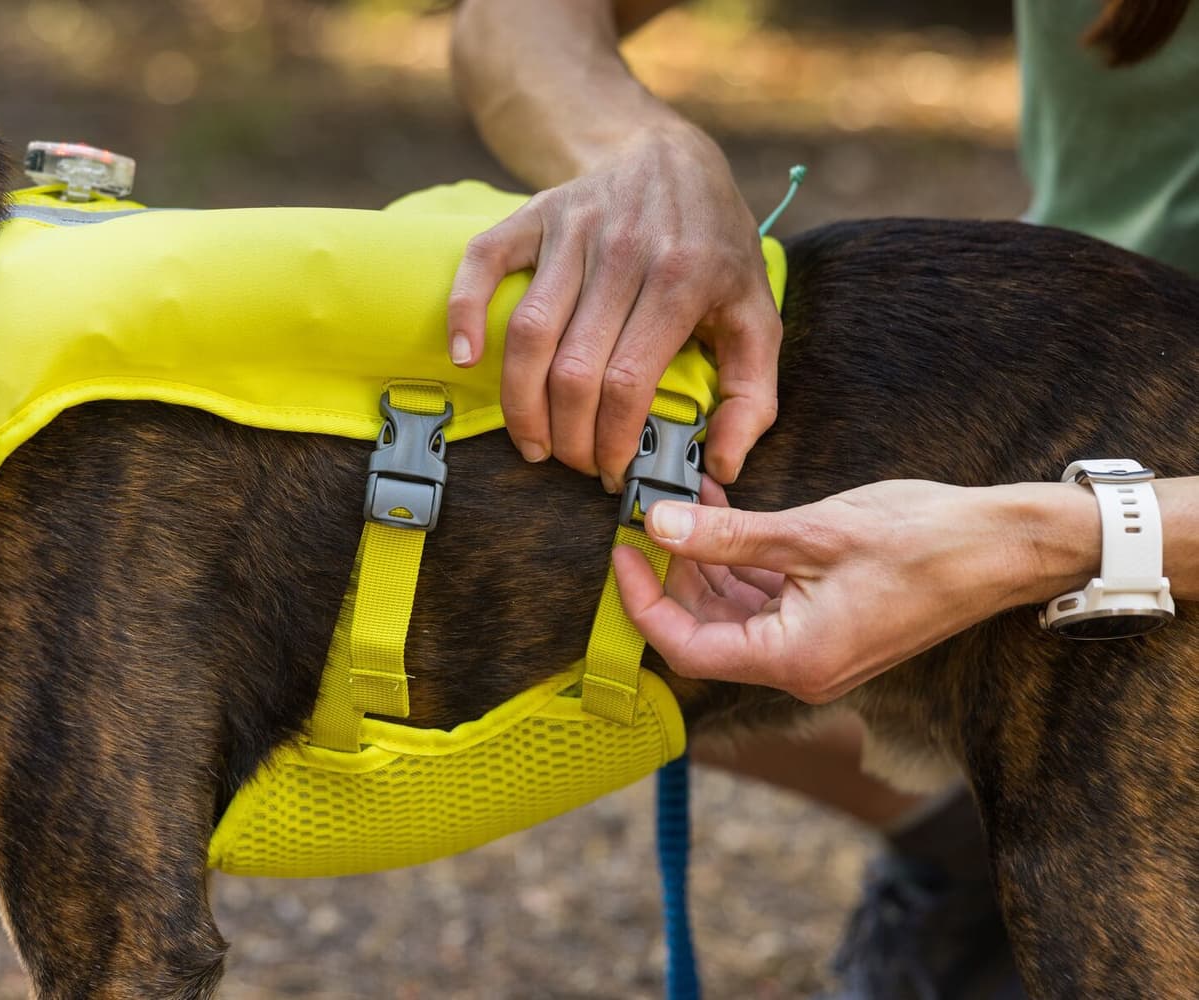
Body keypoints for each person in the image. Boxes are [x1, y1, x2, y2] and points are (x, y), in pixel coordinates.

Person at [448, 1, 1199, 997]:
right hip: (1067, 368)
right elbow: (516, 18)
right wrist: (638, 149)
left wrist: (1044, 540)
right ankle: (976, 841)